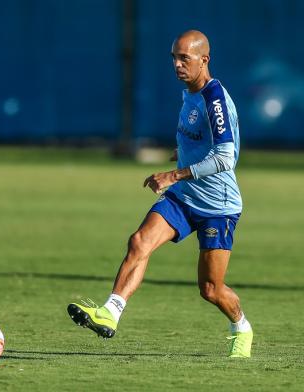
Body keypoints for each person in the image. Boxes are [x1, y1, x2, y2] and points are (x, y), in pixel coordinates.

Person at [67, 30, 253, 358]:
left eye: (185, 58)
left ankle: (241, 326)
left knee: (210, 290)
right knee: (139, 242)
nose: (177, 65)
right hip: (184, 197)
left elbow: (226, 157)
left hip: (218, 206)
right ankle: (111, 312)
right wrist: (180, 155)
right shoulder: (189, 94)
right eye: (174, 58)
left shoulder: (214, 99)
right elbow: (199, 140)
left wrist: (175, 172)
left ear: (204, 60)